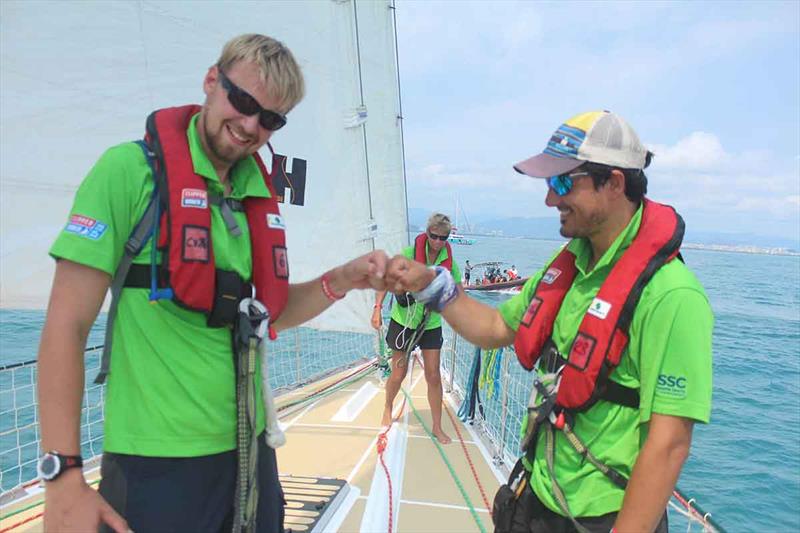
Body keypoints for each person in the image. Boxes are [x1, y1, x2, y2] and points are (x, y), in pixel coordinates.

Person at [38, 34, 390, 533]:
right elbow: (66, 325)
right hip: (156, 464)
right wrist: (63, 475)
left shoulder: (251, 195)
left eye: (270, 119)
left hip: (251, 456)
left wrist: (345, 278)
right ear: (211, 81)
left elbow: (268, 312)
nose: (250, 126)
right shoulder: (127, 173)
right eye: (243, 102)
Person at [384, 110, 713, 532]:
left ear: (613, 183)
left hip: (597, 519)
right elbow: (495, 329)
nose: (550, 200)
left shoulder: (672, 296)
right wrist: (430, 284)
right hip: (534, 497)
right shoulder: (569, 269)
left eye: (561, 183)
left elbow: (668, 444)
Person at [371, 213, 462, 444]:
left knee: (433, 375)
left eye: (444, 237)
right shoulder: (408, 255)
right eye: (434, 236)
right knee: (398, 373)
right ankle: (388, 406)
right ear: (427, 233)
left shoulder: (449, 262)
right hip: (404, 323)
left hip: (430, 324)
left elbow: (459, 292)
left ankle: (437, 426)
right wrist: (377, 308)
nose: (439, 242)